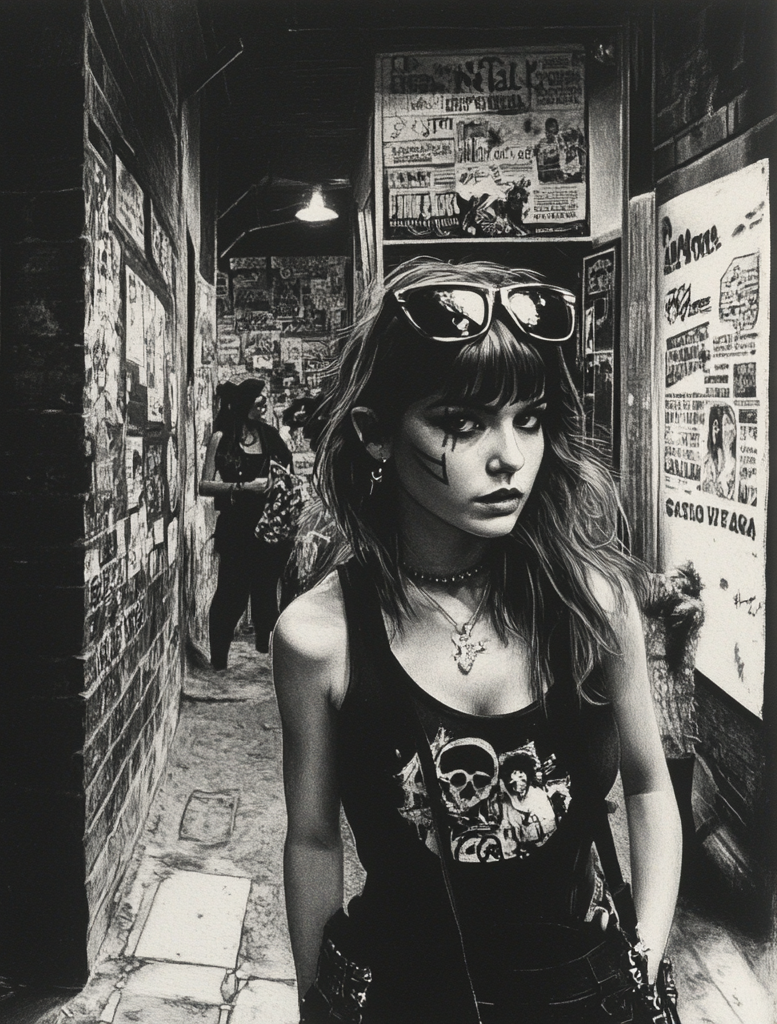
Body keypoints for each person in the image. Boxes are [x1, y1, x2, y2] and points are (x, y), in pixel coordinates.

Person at [273, 258, 682, 1023]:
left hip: (582, 994)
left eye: (528, 418)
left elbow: (651, 788)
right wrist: (314, 1002)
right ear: (376, 435)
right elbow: (313, 838)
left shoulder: (591, 605)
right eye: (462, 423)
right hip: (404, 994)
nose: (509, 458)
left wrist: (644, 957)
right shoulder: (320, 638)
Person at [200, 378, 294, 669]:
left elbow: (287, 474)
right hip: (236, 528)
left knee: (267, 591)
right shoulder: (221, 438)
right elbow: (204, 485)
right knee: (231, 594)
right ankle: (219, 661)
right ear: (245, 404)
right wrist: (243, 488)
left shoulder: (270, 436)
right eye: (259, 401)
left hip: (269, 528)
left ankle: (269, 655)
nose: (265, 406)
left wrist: (276, 484)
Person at [699, 403, 736, 500]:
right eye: (714, 425)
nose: (718, 430)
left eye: (726, 423)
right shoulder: (707, 462)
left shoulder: (735, 464)